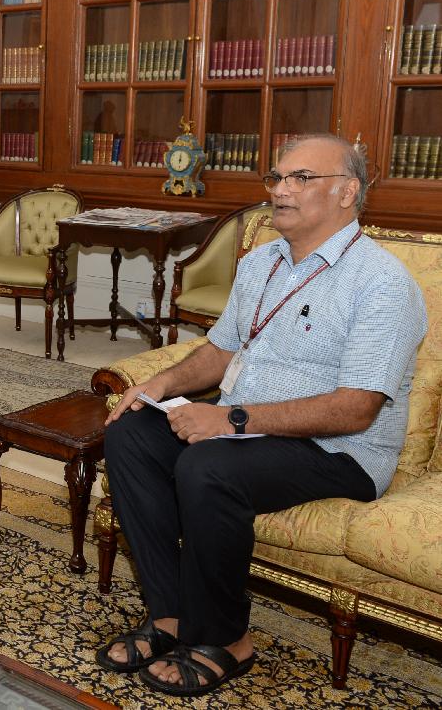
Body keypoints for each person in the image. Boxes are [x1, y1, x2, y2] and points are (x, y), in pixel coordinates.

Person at [95, 135, 427, 697]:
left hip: (339, 451)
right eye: (277, 177)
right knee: (130, 433)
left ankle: (226, 639)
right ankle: (171, 615)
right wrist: (159, 384)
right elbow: (222, 349)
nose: (280, 190)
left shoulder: (382, 284)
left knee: (207, 466)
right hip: (251, 427)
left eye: (301, 178)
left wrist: (229, 421)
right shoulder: (261, 262)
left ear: (348, 192)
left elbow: (357, 407)